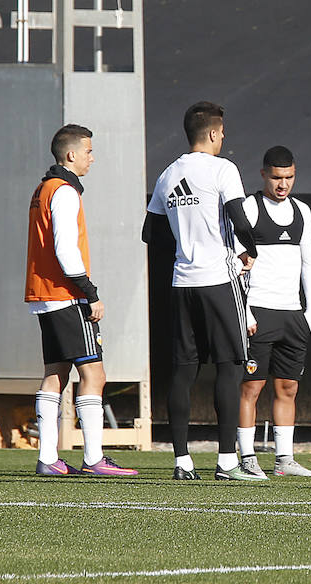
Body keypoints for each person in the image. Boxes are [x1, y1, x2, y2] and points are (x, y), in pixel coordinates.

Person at [143, 101, 264, 481]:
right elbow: (240, 219)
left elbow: (150, 234)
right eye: (222, 131)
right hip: (218, 281)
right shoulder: (222, 169)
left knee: (183, 372)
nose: (223, 137)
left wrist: (185, 245)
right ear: (213, 133)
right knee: (229, 367)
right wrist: (252, 251)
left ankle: (182, 462)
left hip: (183, 283)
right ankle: (228, 462)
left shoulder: (168, 174)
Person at [25, 124, 137, 477]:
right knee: (94, 374)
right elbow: (65, 249)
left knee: (55, 373)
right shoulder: (65, 191)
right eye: (88, 151)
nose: (92, 157)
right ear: (71, 154)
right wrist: (91, 293)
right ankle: (93, 458)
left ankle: (48, 458)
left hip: (43, 294)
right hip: (66, 295)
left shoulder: (43, 188)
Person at [234, 146, 311, 479]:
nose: (282, 184)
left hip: (292, 314)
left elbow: (310, 262)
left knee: (288, 388)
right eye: (276, 177)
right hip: (258, 311)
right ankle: (247, 458)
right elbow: (236, 263)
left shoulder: (303, 210)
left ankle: (285, 459)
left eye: (288, 177)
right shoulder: (250, 208)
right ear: (263, 175)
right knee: (251, 388)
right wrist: (246, 313)